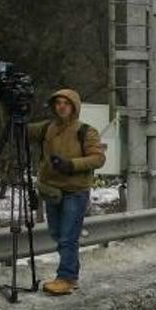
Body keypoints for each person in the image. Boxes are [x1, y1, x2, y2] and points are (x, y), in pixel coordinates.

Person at [26, 89, 105, 295]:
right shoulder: (46, 128)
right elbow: (22, 131)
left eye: (66, 103)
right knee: (58, 234)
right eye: (58, 103)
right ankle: (70, 274)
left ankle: (67, 277)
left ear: (74, 107)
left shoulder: (86, 131)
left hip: (75, 192)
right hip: (52, 190)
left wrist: (70, 164)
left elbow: (98, 158)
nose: (61, 106)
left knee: (68, 237)